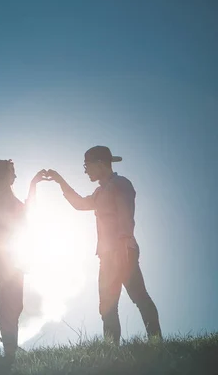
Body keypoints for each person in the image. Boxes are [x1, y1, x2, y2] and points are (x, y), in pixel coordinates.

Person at [46, 146, 162, 344]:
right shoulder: (99, 192)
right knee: (107, 305)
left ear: (100, 164)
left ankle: (156, 342)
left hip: (122, 250)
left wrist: (125, 247)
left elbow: (126, 216)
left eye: (87, 166)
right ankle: (111, 350)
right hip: (106, 255)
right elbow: (79, 204)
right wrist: (59, 180)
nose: (85, 171)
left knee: (139, 297)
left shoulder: (120, 183)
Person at [0, 159, 48, 361]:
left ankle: (10, 348)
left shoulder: (1, 195)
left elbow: (25, 212)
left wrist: (33, 185)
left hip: (10, 256)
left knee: (14, 302)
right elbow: (25, 213)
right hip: (6, 257)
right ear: (2, 174)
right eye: (12, 172)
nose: (15, 176)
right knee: (11, 301)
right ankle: (9, 351)